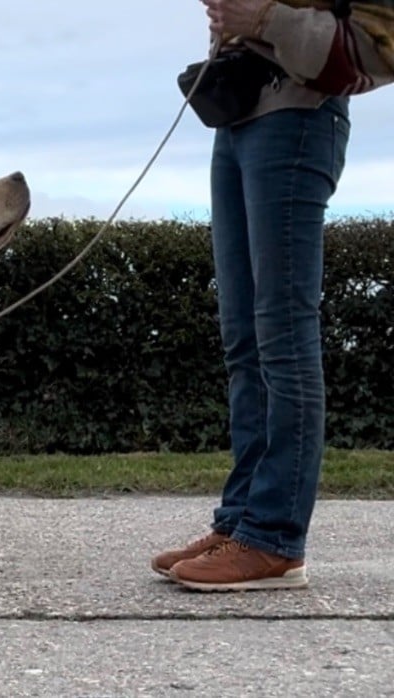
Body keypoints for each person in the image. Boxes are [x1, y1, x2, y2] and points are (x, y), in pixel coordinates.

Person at [152, 0, 394, 591]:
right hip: (239, 115)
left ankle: (274, 538)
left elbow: (380, 47)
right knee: (245, 339)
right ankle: (241, 522)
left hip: (299, 120)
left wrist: (264, 21)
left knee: (283, 337)